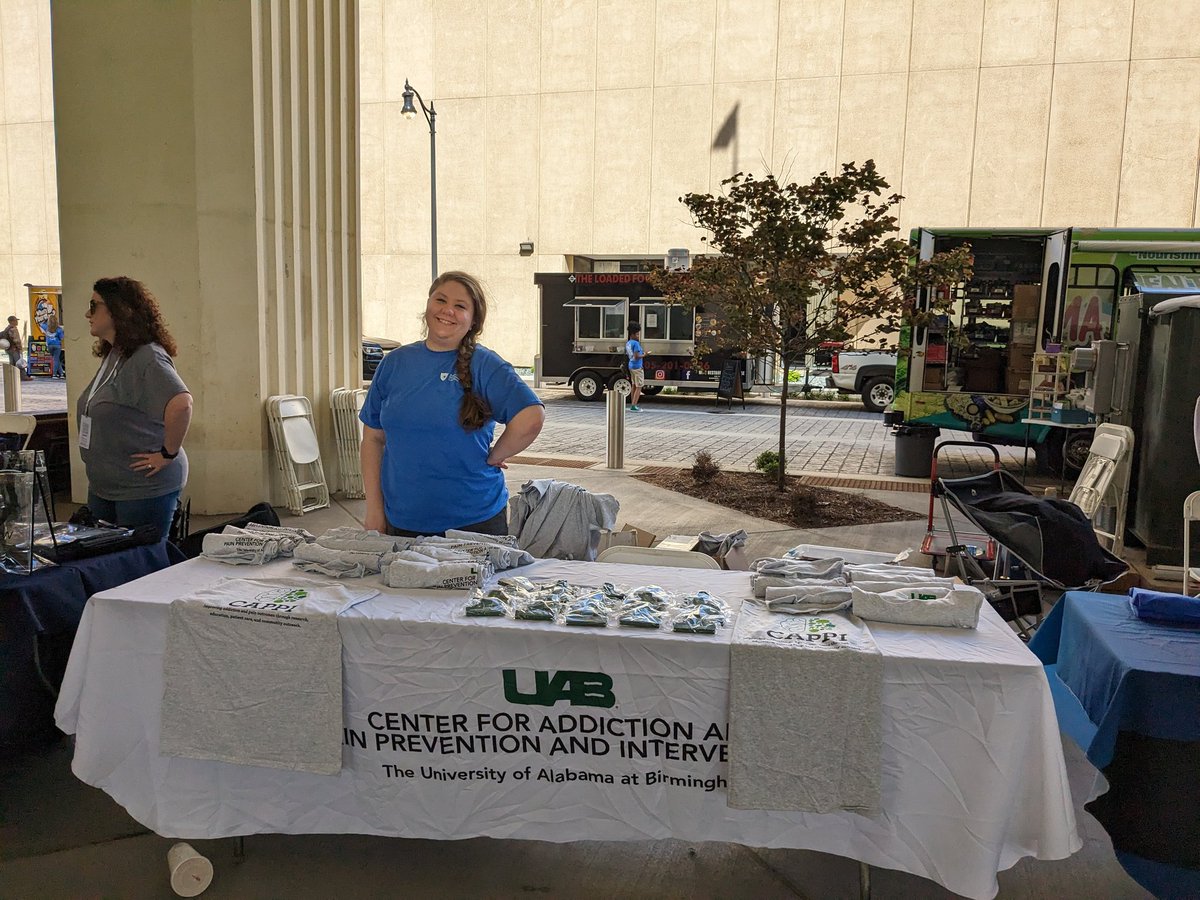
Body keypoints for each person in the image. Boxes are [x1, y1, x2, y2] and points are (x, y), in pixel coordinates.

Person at [359, 271, 545, 537]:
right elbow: (373, 439)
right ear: (428, 304)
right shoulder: (394, 363)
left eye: (460, 306)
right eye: (440, 300)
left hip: (475, 522)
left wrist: (496, 455)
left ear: (473, 320)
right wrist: (374, 510)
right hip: (401, 521)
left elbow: (531, 418)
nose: (448, 311)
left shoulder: (485, 364)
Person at [77, 276, 193, 541]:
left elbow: (181, 404)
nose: (87, 314)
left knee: (140, 568)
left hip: (142, 488)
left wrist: (167, 454)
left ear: (119, 309)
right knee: (107, 565)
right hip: (106, 487)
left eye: (94, 306)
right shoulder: (115, 353)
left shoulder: (147, 356)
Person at [625, 321, 645, 410]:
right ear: (632, 334)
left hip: (631, 365)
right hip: (637, 367)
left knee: (634, 385)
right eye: (637, 334)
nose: (638, 336)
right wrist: (645, 355)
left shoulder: (628, 343)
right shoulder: (636, 343)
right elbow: (637, 356)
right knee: (639, 386)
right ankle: (634, 405)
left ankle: (633, 404)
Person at [45, 313, 64, 378]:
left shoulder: (47, 328)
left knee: (56, 359)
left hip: (49, 345)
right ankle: (54, 374)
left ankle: (61, 374)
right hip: (57, 345)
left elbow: (41, 325)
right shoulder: (59, 329)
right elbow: (61, 337)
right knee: (56, 359)